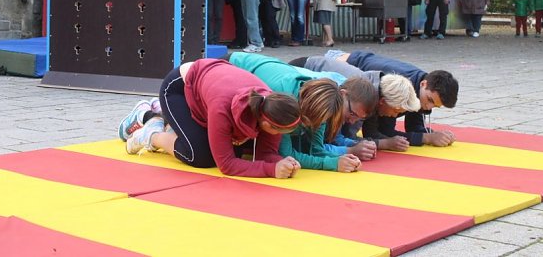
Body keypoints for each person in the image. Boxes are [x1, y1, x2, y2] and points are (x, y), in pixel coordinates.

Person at [118, 58, 302, 178]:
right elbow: (227, 165)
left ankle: (163, 118)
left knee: (238, 152)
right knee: (200, 156)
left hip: (208, 91)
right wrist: (271, 170)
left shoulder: (270, 108)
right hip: (178, 88)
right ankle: (151, 133)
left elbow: (263, 154)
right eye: (278, 131)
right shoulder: (223, 107)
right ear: (265, 122)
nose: (280, 135)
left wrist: (280, 162)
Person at [228, 52, 361, 172]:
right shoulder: (285, 103)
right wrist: (331, 163)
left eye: (323, 121)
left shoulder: (323, 105)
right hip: (232, 66)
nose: (321, 124)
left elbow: (315, 149)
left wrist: (341, 158)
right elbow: (286, 153)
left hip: (263, 67)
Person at [288, 55, 423, 152]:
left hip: (308, 69)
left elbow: (359, 134)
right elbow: (336, 138)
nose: (394, 116)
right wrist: (356, 148)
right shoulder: (360, 99)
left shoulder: (373, 92)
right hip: (298, 71)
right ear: (382, 102)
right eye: (396, 111)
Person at [331, 51, 459, 148]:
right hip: (337, 61)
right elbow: (381, 131)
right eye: (430, 100)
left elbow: (414, 127)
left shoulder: (420, 87)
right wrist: (426, 138)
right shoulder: (397, 90)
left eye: (435, 106)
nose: (428, 107)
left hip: (351, 67)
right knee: (346, 123)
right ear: (423, 84)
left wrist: (430, 135)